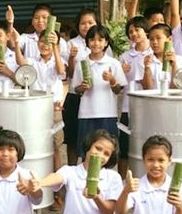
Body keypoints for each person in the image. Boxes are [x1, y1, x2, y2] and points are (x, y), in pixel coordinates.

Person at [13, 28, 66, 172]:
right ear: (37, 43)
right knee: (36, 143)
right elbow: (21, 62)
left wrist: (55, 47)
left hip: (54, 109)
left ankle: (57, 184)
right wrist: (17, 44)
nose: (45, 45)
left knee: (56, 146)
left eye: (48, 42)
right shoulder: (33, 61)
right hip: (35, 108)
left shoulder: (58, 60)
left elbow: (61, 71)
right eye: (42, 41)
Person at [74, 25, 126, 160]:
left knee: (107, 151)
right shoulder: (81, 64)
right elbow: (76, 90)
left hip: (107, 113)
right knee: (87, 151)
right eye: (92, 40)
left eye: (100, 40)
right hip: (86, 113)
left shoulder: (113, 63)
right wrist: (82, 87)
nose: (96, 43)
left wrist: (112, 80)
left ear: (106, 43)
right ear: (87, 42)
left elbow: (118, 90)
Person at [64, 9, 99, 164]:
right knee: (72, 137)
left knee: (92, 138)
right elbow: (69, 74)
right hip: (75, 96)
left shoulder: (103, 44)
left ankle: (89, 171)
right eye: (83, 23)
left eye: (90, 22)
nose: (86, 26)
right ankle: (72, 169)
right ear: (77, 26)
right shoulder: (71, 44)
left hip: (95, 97)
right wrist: (71, 57)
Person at [118, 16, 151, 174]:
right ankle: (122, 180)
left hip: (149, 106)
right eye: (130, 31)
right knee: (124, 147)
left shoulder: (153, 54)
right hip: (128, 106)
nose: (134, 34)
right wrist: (121, 73)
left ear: (146, 31)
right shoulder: (125, 57)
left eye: (137, 29)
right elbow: (118, 85)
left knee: (147, 146)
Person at [141, 24, 182, 90]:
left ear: (169, 39)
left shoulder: (181, 60)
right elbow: (146, 88)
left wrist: (174, 66)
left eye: (158, 38)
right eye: (151, 39)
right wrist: (147, 68)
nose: (154, 42)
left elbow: (178, 88)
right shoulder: (146, 60)